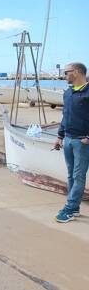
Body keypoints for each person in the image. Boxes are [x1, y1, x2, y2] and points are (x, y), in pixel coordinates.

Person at [54, 62, 89, 223]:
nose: (64, 75)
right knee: (71, 176)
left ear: (76, 72)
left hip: (82, 142)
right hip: (68, 139)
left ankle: (69, 208)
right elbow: (65, 116)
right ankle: (74, 208)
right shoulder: (68, 93)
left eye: (66, 72)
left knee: (78, 176)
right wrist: (60, 136)